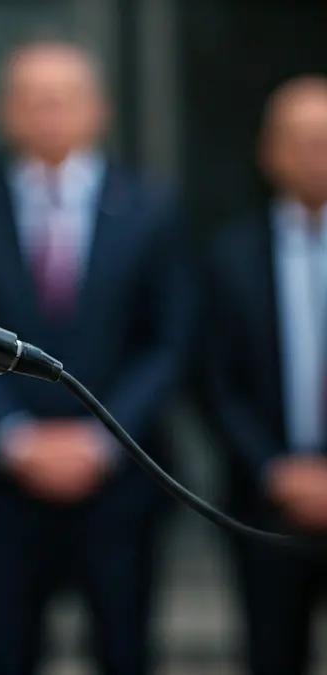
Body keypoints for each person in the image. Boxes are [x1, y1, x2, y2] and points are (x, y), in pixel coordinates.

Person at [0, 42, 194, 675]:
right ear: (5, 112)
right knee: (9, 649)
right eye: (32, 98)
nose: (48, 112)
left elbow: (169, 342)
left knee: (125, 647)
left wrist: (101, 438)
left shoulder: (151, 208)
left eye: (64, 98)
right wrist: (17, 439)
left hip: (118, 478)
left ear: (97, 109)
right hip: (4, 483)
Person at [201, 75, 327, 675]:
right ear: (268, 150)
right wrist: (278, 470)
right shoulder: (229, 255)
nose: (313, 153)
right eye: (299, 139)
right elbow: (216, 380)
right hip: (265, 499)